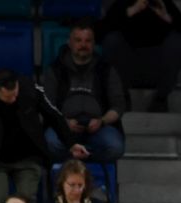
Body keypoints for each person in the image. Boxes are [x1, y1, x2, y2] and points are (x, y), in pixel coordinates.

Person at [0, 69, 80, 203]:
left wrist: (71, 143)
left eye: (15, 93)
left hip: (28, 157)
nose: (14, 99)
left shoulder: (31, 89)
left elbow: (54, 116)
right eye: (8, 97)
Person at [41, 19, 127, 165]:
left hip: (99, 127)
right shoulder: (55, 70)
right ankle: (73, 166)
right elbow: (47, 106)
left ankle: (80, 163)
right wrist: (64, 122)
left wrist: (102, 121)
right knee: (50, 143)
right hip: (65, 127)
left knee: (116, 147)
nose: (83, 45)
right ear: (69, 43)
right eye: (78, 40)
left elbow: (118, 105)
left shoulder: (106, 69)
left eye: (88, 41)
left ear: (94, 44)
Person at [100, 0, 181, 113]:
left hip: (157, 66)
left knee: (177, 41)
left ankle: (160, 99)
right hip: (127, 66)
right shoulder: (123, 3)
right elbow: (99, 32)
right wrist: (131, 11)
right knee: (111, 40)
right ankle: (122, 97)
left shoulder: (162, 3)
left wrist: (166, 17)